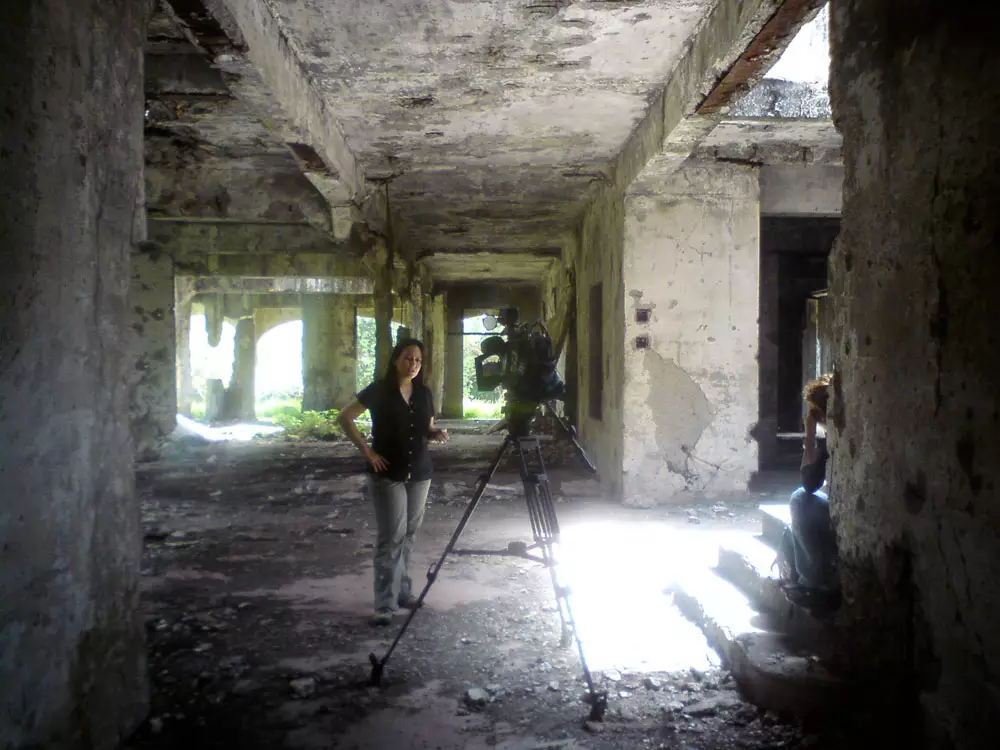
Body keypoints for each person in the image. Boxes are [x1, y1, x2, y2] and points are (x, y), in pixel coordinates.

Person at [338, 339, 449, 626]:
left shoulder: (424, 393)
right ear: (395, 360)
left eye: (418, 360)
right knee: (391, 537)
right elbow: (345, 417)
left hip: (420, 473)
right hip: (388, 472)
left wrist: (435, 433)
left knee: (409, 534)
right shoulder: (378, 391)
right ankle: (385, 603)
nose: (413, 365)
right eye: (408, 359)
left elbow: (427, 426)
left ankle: (403, 592)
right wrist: (367, 451)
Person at [778, 374, 840, 612]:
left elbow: (808, 485)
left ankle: (817, 584)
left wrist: (811, 434)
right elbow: (811, 482)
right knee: (791, 528)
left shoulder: (836, 436)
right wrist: (813, 436)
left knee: (799, 500)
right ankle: (800, 580)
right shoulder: (831, 439)